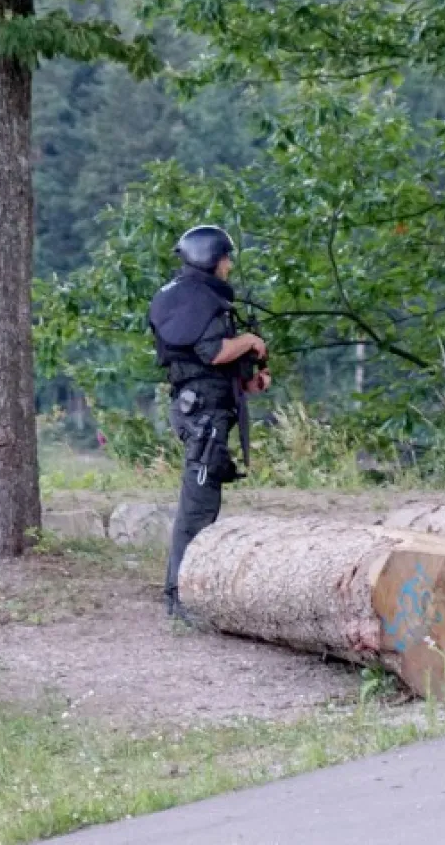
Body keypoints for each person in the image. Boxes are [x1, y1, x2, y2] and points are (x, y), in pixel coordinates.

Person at [148, 225, 271, 621]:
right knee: (197, 506)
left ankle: (186, 592)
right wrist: (251, 341)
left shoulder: (189, 299)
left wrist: (249, 382)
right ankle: (179, 597)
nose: (229, 265)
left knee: (204, 500)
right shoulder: (198, 300)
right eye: (226, 257)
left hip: (203, 408)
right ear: (211, 257)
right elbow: (213, 351)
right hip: (202, 416)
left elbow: (207, 366)